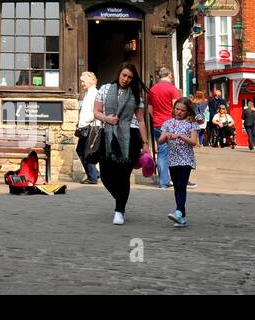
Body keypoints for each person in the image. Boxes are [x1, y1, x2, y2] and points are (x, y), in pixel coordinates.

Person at [94, 63, 150, 225]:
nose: (126, 79)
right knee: (105, 175)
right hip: (108, 136)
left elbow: (140, 120)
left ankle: (119, 210)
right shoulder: (105, 89)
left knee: (123, 175)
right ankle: (121, 198)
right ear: (119, 74)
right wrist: (107, 119)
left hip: (130, 137)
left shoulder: (135, 93)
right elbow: (96, 112)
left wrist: (145, 143)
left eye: (130, 77)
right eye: (124, 75)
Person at [159, 96, 199, 227]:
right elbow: (160, 141)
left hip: (185, 159)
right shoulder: (168, 123)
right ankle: (182, 217)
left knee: (181, 186)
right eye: (177, 109)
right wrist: (166, 136)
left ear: (188, 111)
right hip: (172, 159)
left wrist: (181, 136)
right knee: (177, 187)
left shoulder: (191, 124)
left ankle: (178, 212)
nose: (179, 112)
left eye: (182, 110)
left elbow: (193, 142)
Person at [148, 68, 180, 189]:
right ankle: (167, 181)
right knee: (173, 152)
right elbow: (176, 108)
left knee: (162, 152)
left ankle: (163, 180)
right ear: (170, 75)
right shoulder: (172, 89)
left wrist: (156, 118)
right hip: (170, 124)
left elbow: (150, 109)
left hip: (157, 123)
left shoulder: (152, 89)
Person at [76, 71, 101, 184]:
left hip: (91, 127)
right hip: (85, 127)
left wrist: (85, 121)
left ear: (91, 80)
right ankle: (94, 173)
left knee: (87, 152)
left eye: (83, 81)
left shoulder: (94, 93)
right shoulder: (88, 93)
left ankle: (92, 177)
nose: (81, 83)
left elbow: (96, 111)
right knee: (81, 150)